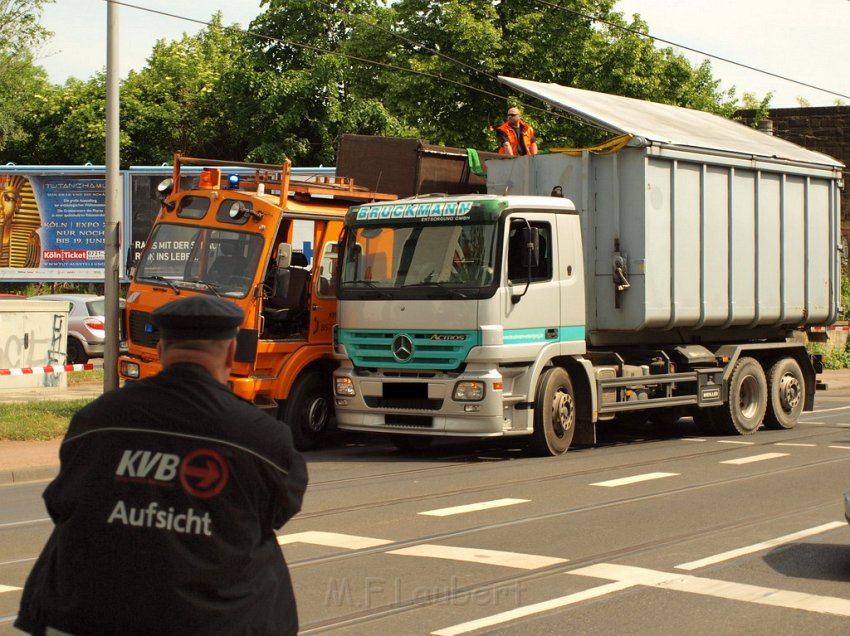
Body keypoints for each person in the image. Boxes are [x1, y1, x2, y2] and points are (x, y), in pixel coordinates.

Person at [16, 295, 308, 636]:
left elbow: (61, 503)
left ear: (162, 348)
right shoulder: (263, 438)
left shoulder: (97, 418)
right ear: (231, 352)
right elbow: (281, 509)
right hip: (215, 620)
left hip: (83, 613)